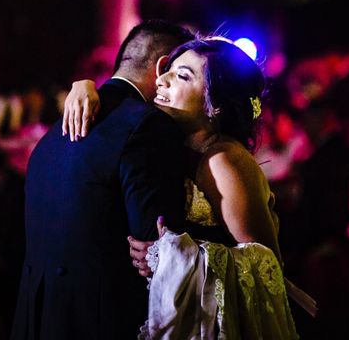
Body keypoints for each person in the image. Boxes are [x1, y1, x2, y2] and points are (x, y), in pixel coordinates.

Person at [65, 37, 313, 338]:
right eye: (167, 69)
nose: (162, 80)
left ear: (215, 106)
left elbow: (266, 269)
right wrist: (84, 86)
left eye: (182, 76)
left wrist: (173, 257)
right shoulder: (176, 147)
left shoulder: (223, 159)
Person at [9, 20, 194, 340]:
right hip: (102, 322)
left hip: (36, 320)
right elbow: (158, 248)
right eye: (182, 73)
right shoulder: (146, 126)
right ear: (164, 67)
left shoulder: (52, 134)